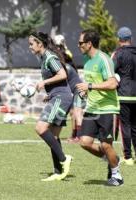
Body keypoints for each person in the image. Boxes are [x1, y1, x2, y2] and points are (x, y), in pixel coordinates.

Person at [76, 29, 123, 186]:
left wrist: (89, 86)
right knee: (84, 142)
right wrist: (85, 93)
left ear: (89, 44)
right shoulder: (86, 60)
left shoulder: (103, 59)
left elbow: (112, 83)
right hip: (92, 108)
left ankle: (117, 177)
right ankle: (112, 159)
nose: (78, 45)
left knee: (105, 144)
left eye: (81, 43)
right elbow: (92, 86)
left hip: (108, 109)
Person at [28, 32, 72, 181]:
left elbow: (62, 74)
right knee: (53, 136)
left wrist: (44, 83)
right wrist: (51, 93)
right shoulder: (44, 57)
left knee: (40, 128)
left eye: (31, 44)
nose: (30, 47)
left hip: (61, 97)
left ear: (40, 44)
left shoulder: (50, 57)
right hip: (58, 96)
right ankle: (58, 172)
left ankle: (64, 159)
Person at [54, 35, 85, 143]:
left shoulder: (65, 67)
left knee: (77, 112)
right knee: (73, 113)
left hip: (78, 89)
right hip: (76, 89)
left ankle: (79, 136)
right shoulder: (66, 65)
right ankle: (75, 135)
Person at [112, 26, 136, 166]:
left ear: (119, 39)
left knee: (125, 126)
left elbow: (111, 72)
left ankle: (128, 157)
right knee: (135, 127)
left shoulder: (118, 54)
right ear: (130, 39)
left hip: (124, 95)